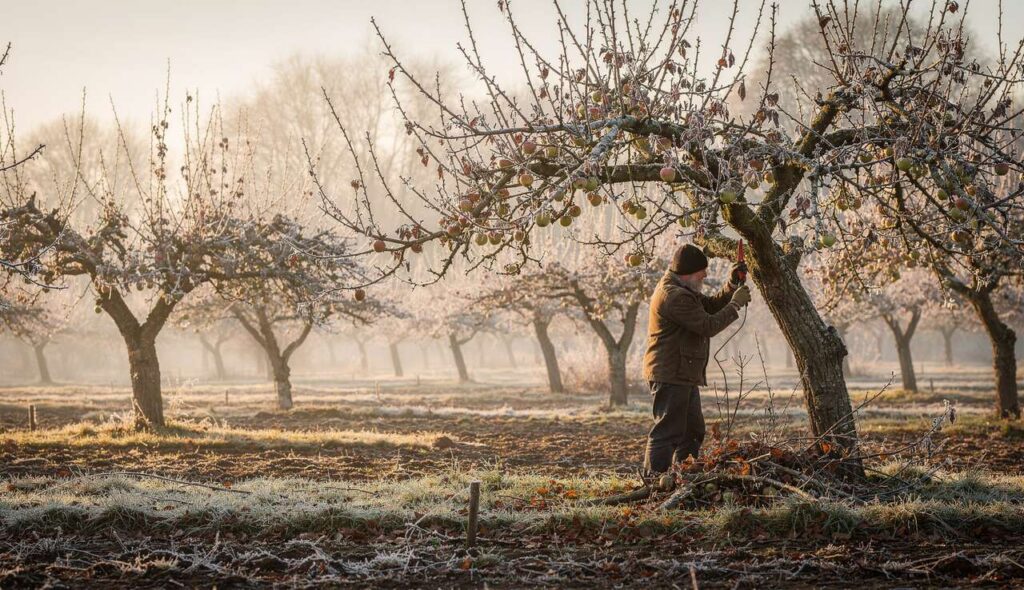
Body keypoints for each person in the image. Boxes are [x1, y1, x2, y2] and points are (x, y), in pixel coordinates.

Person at [641, 243, 751, 485]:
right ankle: (653, 483)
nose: (705, 275)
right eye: (702, 271)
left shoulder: (681, 288)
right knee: (668, 431)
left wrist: (731, 286)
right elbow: (707, 326)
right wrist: (735, 305)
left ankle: (684, 477)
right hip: (671, 372)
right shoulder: (675, 296)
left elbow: (708, 307)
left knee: (692, 431)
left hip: (681, 371)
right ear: (688, 272)